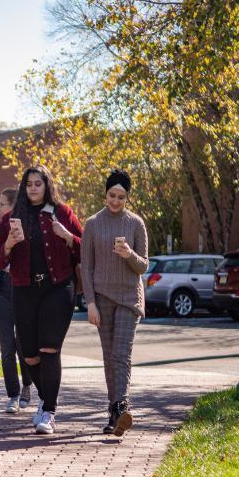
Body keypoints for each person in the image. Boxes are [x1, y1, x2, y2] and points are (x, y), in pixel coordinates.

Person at [0, 165, 83, 434]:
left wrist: (68, 237)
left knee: (49, 348)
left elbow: (85, 247)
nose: (33, 188)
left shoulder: (63, 212)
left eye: (38, 183)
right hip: (24, 289)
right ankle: (46, 399)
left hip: (58, 288)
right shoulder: (11, 218)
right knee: (29, 355)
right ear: (24, 187)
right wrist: (9, 243)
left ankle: (49, 412)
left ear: (47, 186)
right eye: (29, 184)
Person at [81, 170, 148, 436]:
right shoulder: (93, 224)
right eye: (112, 195)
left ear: (127, 197)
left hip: (130, 297)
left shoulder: (136, 224)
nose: (116, 201)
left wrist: (128, 253)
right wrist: (90, 303)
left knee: (121, 355)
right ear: (105, 193)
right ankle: (114, 413)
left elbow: (143, 265)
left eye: (121, 197)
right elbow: (86, 268)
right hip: (102, 298)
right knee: (110, 357)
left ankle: (121, 407)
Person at [0, 187, 33, 413]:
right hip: (3, 290)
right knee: (6, 347)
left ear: (12, 206)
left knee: (23, 345)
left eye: (2, 204)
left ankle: (27, 386)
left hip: (23, 290)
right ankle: (12, 394)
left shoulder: (29, 227)